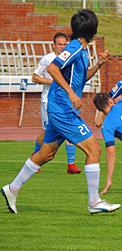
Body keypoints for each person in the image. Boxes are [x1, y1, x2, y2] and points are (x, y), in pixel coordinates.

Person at [1, 9, 120, 215]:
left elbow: (82, 80)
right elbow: (54, 68)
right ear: (92, 29)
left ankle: (12, 189)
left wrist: (99, 64)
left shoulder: (82, 50)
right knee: (94, 150)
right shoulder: (74, 47)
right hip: (62, 109)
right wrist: (71, 94)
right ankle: (94, 202)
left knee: (46, 154)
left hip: (60, 108)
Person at [31, 32, 81, 174]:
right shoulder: (48, 59)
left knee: (70, 130)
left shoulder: (70, 59)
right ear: (54, 45)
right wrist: (54, 82)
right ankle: (35, 158)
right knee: (46, 133)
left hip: (66, 101)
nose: (62, 47)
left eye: (65, 44)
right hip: (49, 101)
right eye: (60, 44)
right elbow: (35, 78)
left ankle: (71, 164)